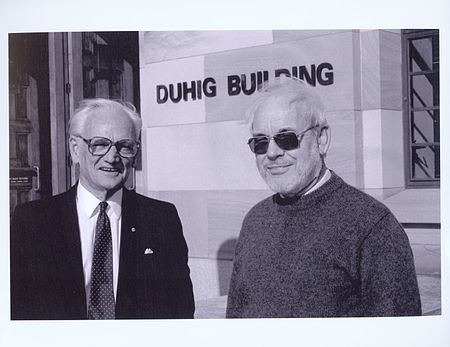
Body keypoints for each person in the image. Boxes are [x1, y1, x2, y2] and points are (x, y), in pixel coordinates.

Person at [226, 77, 421, 318]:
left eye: (286, 138)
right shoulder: (254, 220)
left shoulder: (372, 226)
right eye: (260, 143)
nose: (272, 153)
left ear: (321, 139)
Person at [11, 98, 194, 320]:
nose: (112, 157)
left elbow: (180, 310)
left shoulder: (161, 219)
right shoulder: (32, 221)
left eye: (124, 146)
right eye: (99, 144)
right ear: (75, 150)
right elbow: (16, 309)